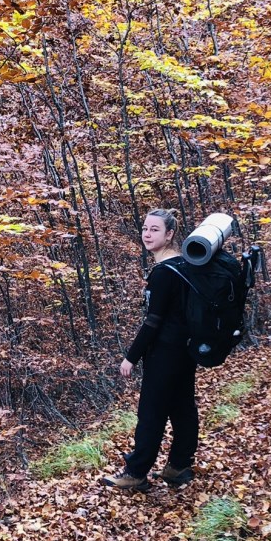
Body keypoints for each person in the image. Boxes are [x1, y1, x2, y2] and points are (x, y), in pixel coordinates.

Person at [102, 208, 199, 491]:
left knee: (151, 413)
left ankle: (136, 472)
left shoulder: (164, 273)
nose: (147, 234)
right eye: (145, 228)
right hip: (185, 351)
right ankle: (179, 466)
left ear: (170, 234)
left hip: (165, 353)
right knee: (182, 407)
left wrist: (130, 357)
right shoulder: (184, 265)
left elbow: (153, 321)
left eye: (155, 230)